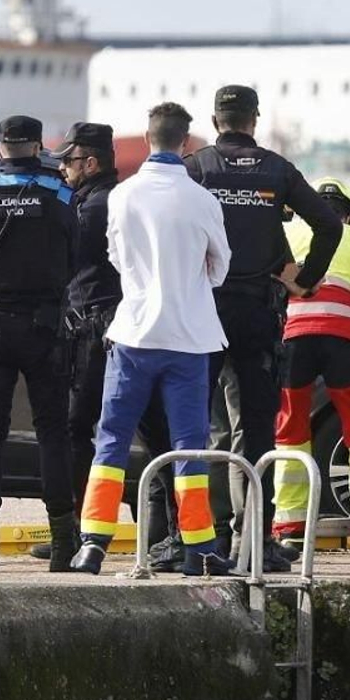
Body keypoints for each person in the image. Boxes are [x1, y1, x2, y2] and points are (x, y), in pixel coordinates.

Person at [71, 102, 235, 576]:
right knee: (189, 445)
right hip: (189, 338)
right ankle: (199, 548)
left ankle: (93, 544)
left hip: (134, 334)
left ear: (147, 139)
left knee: (112, 440)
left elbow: (117, 258)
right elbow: (219, 268)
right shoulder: (203, 200)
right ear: (186, 143)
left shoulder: (123, 196)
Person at [186, 84, 343, 574]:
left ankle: (201, 540)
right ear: (254, 120)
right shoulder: (277, 169)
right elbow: (329, 225)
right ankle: (253, 540)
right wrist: (307, 279)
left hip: (205, 312)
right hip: (258, 312)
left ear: (216, 122)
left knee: (206, 428)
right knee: (255, 430)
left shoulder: (198, 168)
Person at [45, 121, 179, 564]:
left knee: (80, 431)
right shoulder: (112, 199)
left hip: (97, 330)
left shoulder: (93, 207)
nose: (63, 169)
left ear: (91, 162)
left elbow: (71, 262)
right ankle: (169, 530)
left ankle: (85, 534)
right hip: (129, 327)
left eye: (68, 161)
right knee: (154, 431)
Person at [0, 115, 79, 572]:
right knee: (52, 431)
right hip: (45, 326)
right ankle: (64, 543)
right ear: (37, 148)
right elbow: (75, 253)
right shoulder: (60, 195)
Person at [270, 177, 350, 557]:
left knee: (291, 430)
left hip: (292, 340)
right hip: (344, 341)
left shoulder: (287, 236)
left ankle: (290, 529)